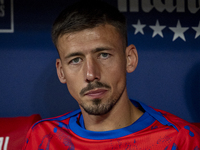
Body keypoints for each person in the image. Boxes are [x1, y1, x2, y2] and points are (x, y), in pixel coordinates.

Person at [23, 0, 200, 149]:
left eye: (104, 55)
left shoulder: (181, 139)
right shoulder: (43, 138)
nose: (91, 74)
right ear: (61, 72)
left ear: (130, 59)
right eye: (76, 60)